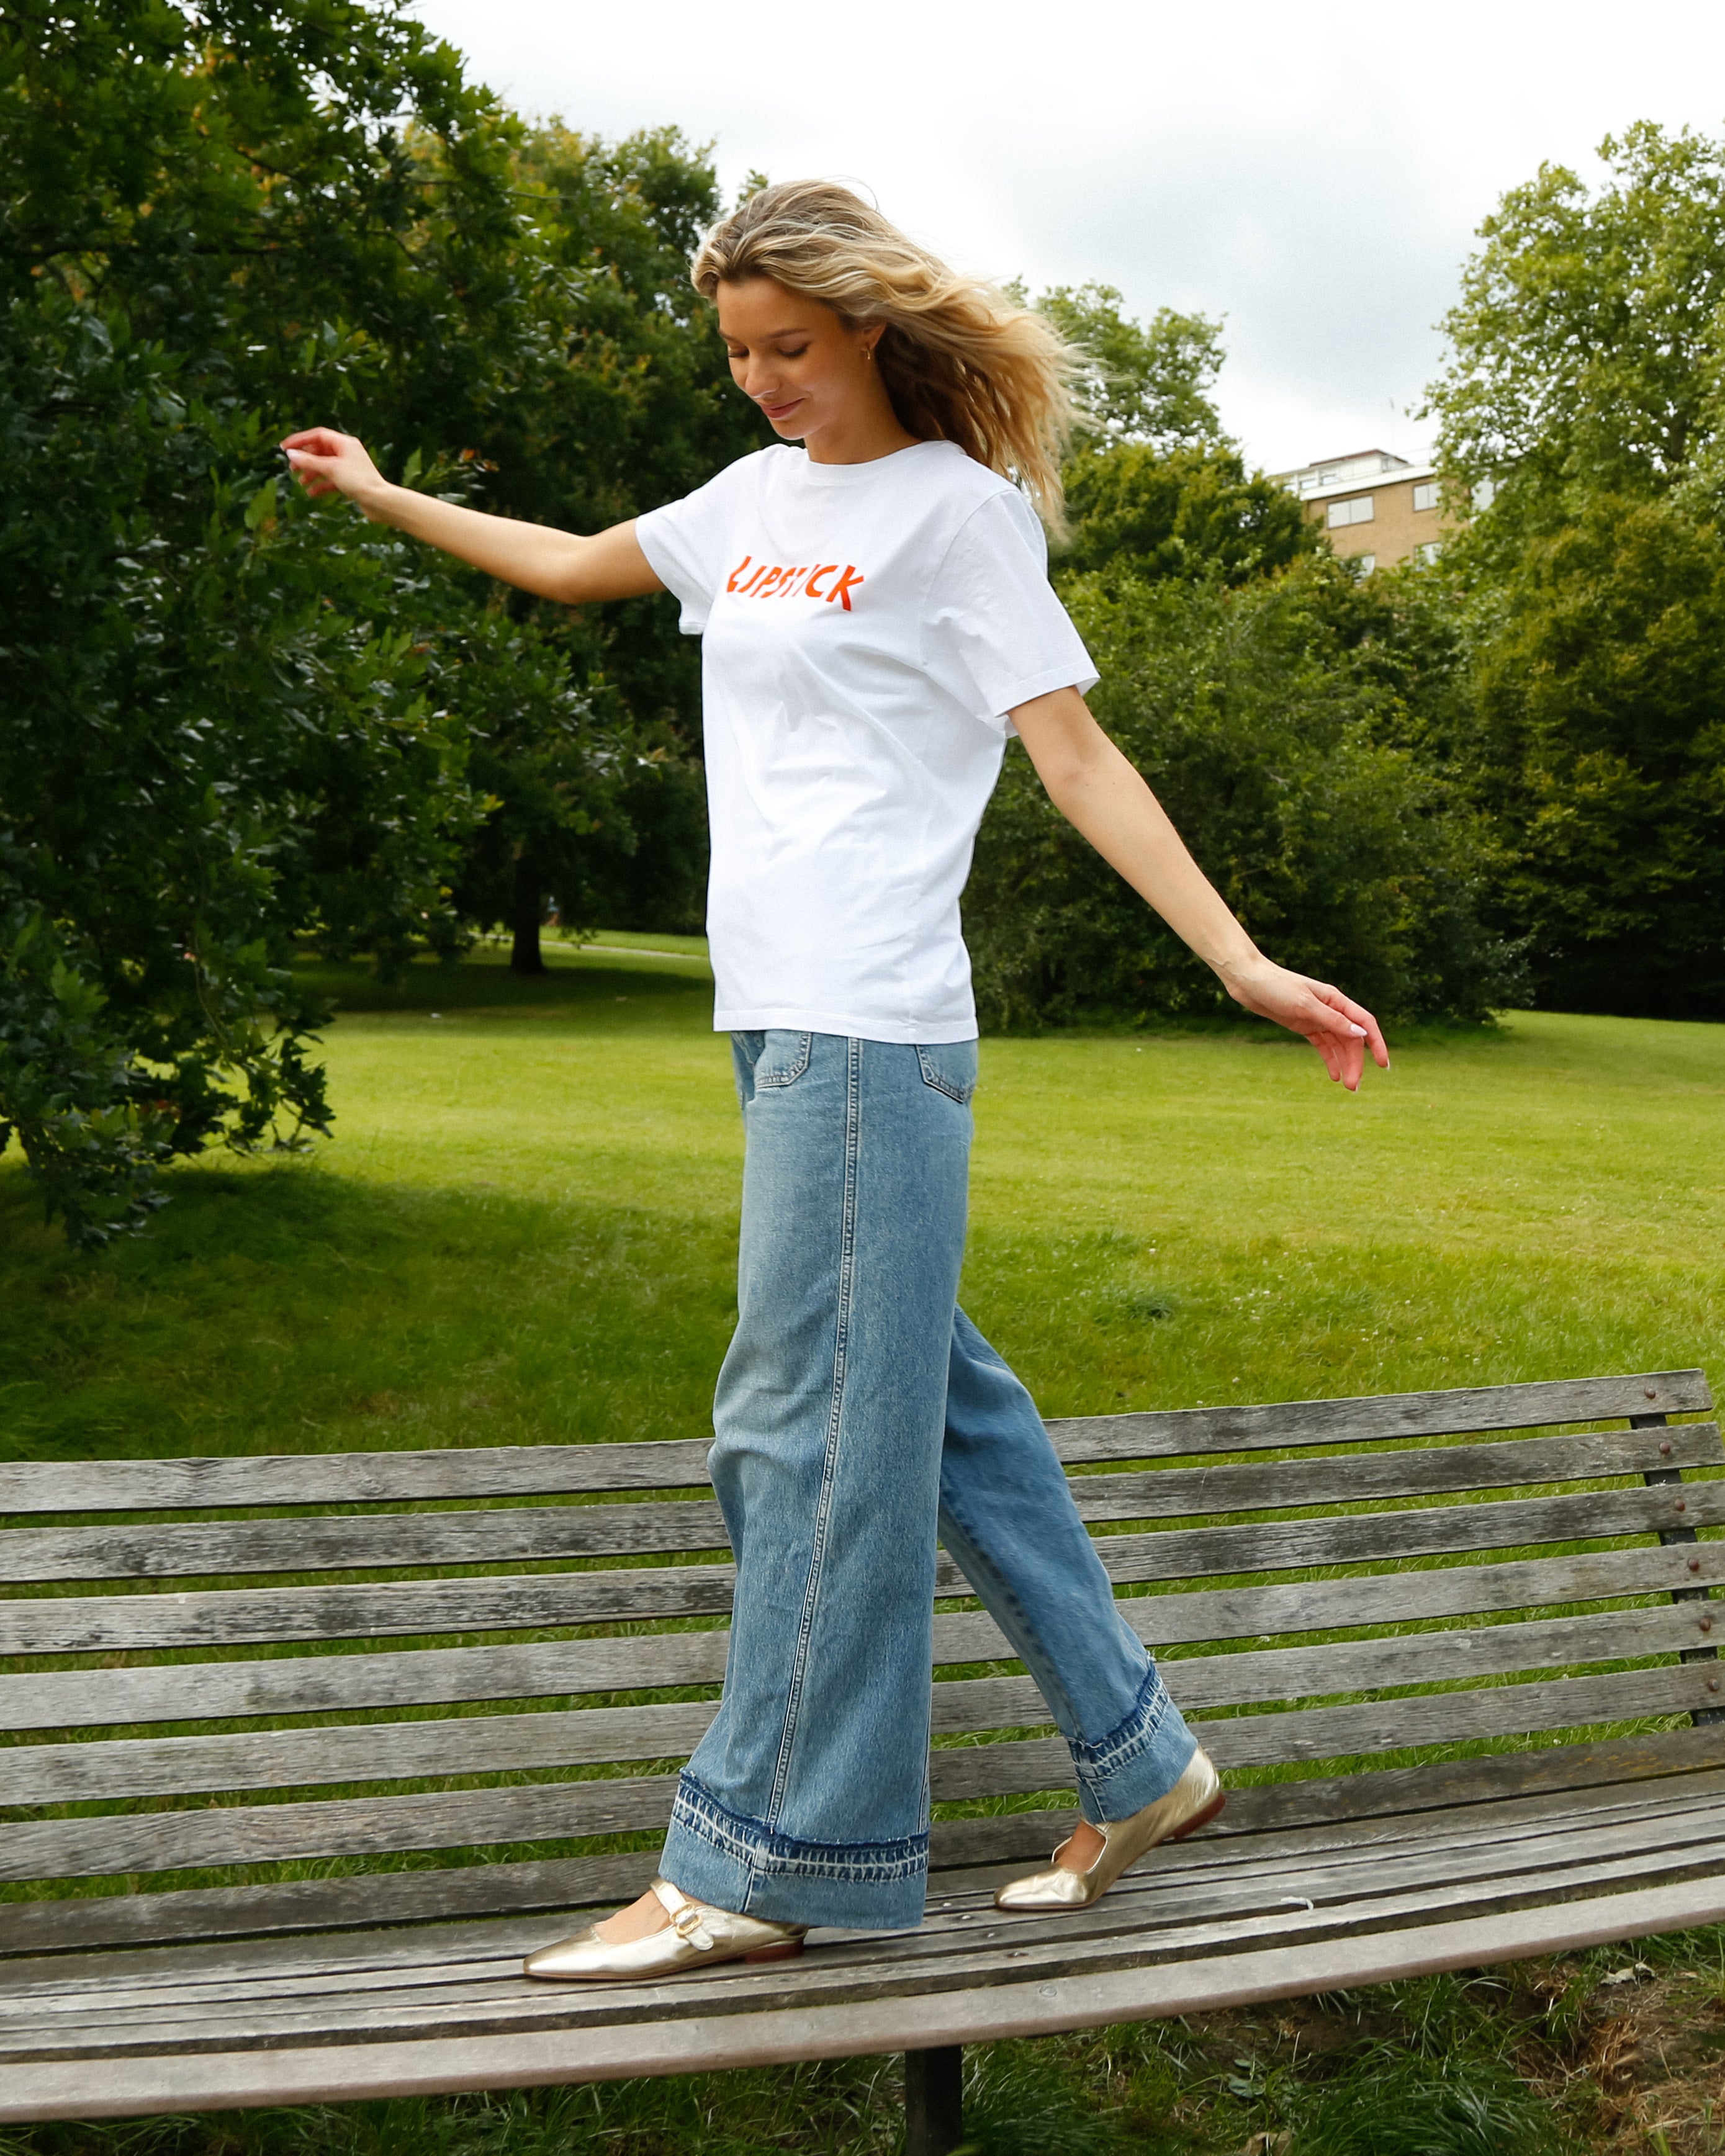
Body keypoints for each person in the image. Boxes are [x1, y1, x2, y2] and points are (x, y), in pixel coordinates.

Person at [283, 179, 1389, 1986]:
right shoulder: (748, 505)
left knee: (799, 1430)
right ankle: (1142, 1753)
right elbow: (572, 563)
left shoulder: (959, 518)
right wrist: (386, 491)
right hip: (774, 1019)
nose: (762, 381)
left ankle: (767, 1858)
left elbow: (1075, 753)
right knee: (934, 1404)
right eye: (736, 352)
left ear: (872, 325)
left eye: (788, 347)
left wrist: (1237, 959)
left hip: (874, 1025)